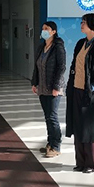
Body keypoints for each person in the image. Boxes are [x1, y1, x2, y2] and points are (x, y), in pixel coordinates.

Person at [65, 13, 94, 174]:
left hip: (91, 94)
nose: (81, 24)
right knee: (78, 126)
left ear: (92, 24)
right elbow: (74, 65)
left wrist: (93, 89)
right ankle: (81, 162)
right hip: (76, 90)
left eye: (84, 22)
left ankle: (92, 163)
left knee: (90, 128)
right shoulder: (80, 43)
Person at [31, 21, 66, 158]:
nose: (44, 31)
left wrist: (56, 86)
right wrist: (34, 83)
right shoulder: (41, 47)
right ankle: (50, 143)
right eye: (43, 28)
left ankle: (56, 146)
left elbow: (61, 67)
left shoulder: (58, 47)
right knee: (47, 117)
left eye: (47, 29)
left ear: (54, 32)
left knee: (52, 117)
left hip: (53, 88)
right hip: (42, 86)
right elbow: (37, 66)